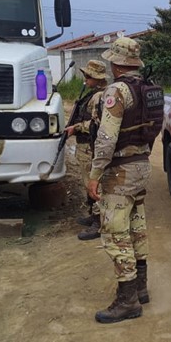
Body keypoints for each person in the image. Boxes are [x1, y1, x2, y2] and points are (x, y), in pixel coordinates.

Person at [87, 37, 155, 324]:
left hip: (120, 171)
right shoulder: (151, 89)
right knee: (136, 225)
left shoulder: (117, 91)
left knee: (116, 233)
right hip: (141, 165)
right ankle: (140, 288)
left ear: (115, 64)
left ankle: (127, 300)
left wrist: (94, 175)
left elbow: (106, 138)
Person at [63, 59, 108, 241]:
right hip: (85, 146)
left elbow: (100, 123)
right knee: (87, 182)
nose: (85, 79)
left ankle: (99, 222)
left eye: (88, 76)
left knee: (94, 184)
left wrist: (77, 127)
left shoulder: (100, 97)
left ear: (97, 78)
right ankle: (93, 214)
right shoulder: (92, 94)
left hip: (91, 147)